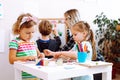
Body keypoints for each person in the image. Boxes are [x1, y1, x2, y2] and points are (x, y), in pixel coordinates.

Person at [9, 13, 44, 80]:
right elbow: (11, 60)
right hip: (24, 77)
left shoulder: (33, 43)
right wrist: (26, 58)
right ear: (19, 30)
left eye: (33, 32)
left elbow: (38, 56)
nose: (31, 35)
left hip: (36, 75)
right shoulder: (15, 43)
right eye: (27, 33)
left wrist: (41, 55)